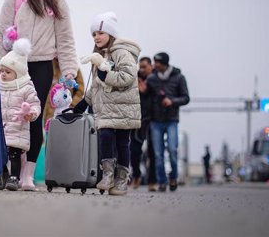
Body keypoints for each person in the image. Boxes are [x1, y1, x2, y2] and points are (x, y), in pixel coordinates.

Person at [0, 0, 78, 191]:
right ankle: (10, 174)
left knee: (33, 115)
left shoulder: (57, 0)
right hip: (14, 63)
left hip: (41, 64)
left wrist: (69, 69)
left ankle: (28, 174)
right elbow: (1, 32)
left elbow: (66, 37)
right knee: (10, 116)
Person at [72, 12, 141, 196]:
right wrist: (80, 105)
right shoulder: (99, 56)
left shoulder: (121, 52)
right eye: (94, 34)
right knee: (105, 137)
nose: (97, 37)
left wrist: (105, 75)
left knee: (122, 143)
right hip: (106, 108)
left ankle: (121, 179)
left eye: (101, 33)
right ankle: (108, 174)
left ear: (111, 34)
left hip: (124, 106)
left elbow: (127, 76)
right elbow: (96, 85)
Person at [0, 38, 41, 191]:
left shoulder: (26, 87)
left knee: (14, 154)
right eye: (2, 71)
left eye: (7, 72)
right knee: (1, 155)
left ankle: (15, 177)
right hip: (1, 127)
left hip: (18, 128)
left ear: (19, 72)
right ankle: (3, 176)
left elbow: (35, 104)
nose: (3, 74)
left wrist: (32, 113)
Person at [145, 52, 190, 192]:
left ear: (164, 63)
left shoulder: (179, 77)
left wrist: (172, 101)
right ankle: (162, 181)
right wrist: (143, 91)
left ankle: (173, 178)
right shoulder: (151, 79)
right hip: (155, 120)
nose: (154, 65)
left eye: (157, 62)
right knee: (157, 154)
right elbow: (146, 98)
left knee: (172, 150)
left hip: (171, 120)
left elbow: (186, 98)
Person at [130, 57, 156, 191]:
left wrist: (147, 90)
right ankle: (136, 175)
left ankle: (152, 181)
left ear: (151, 66)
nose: (142, 69)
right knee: (134, 151)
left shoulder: (156, 79)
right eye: (140, 66)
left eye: (145, 66)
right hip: (137, 119)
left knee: (153, 152)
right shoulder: (135, 78)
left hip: (153, 120)